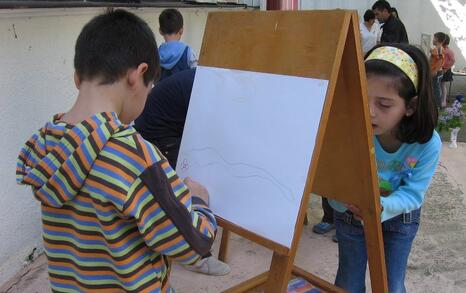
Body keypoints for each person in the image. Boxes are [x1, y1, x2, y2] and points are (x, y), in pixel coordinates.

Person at [16, 9, 217, 292]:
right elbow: (195, 244)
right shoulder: (135, 157)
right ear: (138, 75)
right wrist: (199, 202)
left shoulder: (43, 143)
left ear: (77, 77)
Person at [330, 44, 441, 293]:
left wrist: (382, 207)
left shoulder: (427, 143)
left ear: (410, 107)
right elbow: (335, 180)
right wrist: (342, 200)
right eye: (362, 98)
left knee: (391, 285)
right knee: (348, 282)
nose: (369, 112)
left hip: (400, 217)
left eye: (384, 104)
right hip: (351, 213)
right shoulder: (349, 131)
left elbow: (413, 194)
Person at [134, 68, 231, 275]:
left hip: (154, 127)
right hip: (158, 133)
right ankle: (195, 251)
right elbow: (209, 130)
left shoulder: (204, 79)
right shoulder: (205, 87)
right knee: (182, 188)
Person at [158, 8, 197, 80]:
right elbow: (196, 76)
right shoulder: (188, 51)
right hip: (182, 91)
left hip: (162, 91)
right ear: (181, 30)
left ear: (160, 31)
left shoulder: (156, 53)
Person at [430, 32, 447, 107]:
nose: (432, 40)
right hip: (435, 72)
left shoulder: (439, 48)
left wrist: (435, 70)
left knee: (436, 89)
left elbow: (440, 60)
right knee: (434, 88)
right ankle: (434, 104)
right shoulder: (436, 49)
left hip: (437, 72)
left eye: (434, 38)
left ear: (436, 39)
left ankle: (437, 106)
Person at [440, 34, 456, 108]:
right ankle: (439, 99)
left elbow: (453, 61)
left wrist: (446, 69)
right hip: (439, 69)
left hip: (445, 70)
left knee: (442, 85)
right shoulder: (441, 49)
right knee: (438, 85)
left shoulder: (449, 51)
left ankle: (444, 101)